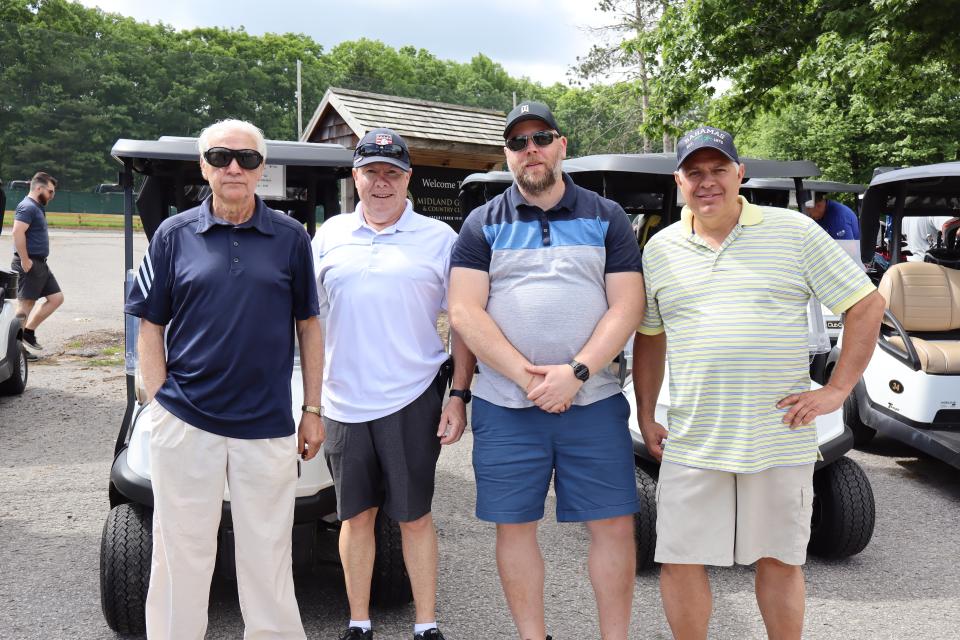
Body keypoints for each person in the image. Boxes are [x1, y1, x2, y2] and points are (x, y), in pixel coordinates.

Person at [634, 126, 886, 640]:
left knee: (779, 560)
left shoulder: (793, 232)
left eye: (718, 170)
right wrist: (644, 411)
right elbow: (651, 336)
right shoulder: (659, 249)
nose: (707, 182)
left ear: (740, 174)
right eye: (694, 172)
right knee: (681, 560)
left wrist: (836, 390)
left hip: (777, 435)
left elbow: (866, 305)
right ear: (679, 180)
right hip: (693, 438)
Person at [448, 102, 644, 640]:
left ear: (562, 145)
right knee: (514, 528)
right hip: (506, 406)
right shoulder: (481, 222)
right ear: (507, 156)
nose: (530, 150)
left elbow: (627, 306)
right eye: (518, 143)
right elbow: (465, 311)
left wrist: (575, 373)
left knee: (612, 527)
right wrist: (527, 377)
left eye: (541, 138)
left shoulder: (607, 216)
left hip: (595, 401)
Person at [125, 119, 322, 640]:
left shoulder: (291, 237)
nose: (234, 167)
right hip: (187, 419)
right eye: (221, 157)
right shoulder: (172, 235)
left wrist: (313, 409)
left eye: (248, 159)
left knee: (269, 555)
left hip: (266, 423)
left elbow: (309, 326)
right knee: (181, 554)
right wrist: (159, 398)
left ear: (261, 170)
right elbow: (149, 323)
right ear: (203, 167)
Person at [312, 127, 475, 640]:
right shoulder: (328, 235)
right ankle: (358, 622)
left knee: (414, 516)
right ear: (355, 176)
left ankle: (426, 625)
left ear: (409, 178)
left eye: (392, 172)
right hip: (342, 399)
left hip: (412, 396)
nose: (381, 182)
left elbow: (465, 323)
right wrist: (310, 402)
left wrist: (458, 395)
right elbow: (309, 321)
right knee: (355, 517)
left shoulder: (440, 239)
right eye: (371, 172)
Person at [10, 172, 64, 354]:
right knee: (25, 305)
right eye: (50, 191)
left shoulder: (37, 206)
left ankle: (28, 332)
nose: (52, 195)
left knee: (56, 298)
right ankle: (16, 350)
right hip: (29, 262)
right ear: (39, 188)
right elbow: (17, 233)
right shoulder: (27, 207)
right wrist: (25, 259)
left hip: (40, 263)